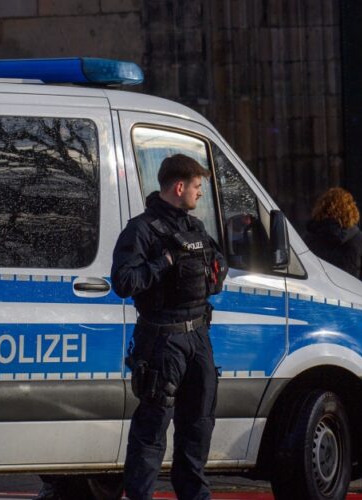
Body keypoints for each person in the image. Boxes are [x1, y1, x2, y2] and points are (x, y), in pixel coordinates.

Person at [112, 154, 227, 499]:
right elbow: (123, 281)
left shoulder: (195, 227)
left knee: (199, 425)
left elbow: (217, 266)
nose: (200, 194)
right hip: (162, 342)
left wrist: (214, 270)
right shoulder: (142, 229)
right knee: (152, 428)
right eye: (196, 186)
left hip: (198, 336)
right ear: (179, 186)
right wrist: (164, 264)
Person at [303, 187, 362, 294]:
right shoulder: (360, 240)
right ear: (352, 211)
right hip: (350, 301)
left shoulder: (307, 240)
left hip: (317, 299)